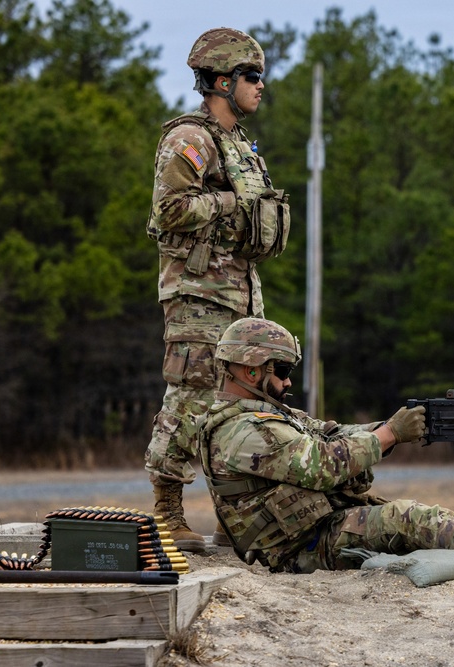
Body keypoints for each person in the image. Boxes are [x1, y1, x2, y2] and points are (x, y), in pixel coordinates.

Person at [197, 318, 454, 580]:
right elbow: (321, 465)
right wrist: (389, 434)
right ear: (251, 370)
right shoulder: (242, 432)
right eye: (282, 371)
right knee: (409, 517)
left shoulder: (267, 416)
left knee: (426, 519)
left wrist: (392, 427)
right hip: (300, 550)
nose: (287, 383)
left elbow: (331, 432)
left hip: (319, 529)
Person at [144, 27, 290, 553]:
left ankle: (236, 515)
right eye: (252, 76)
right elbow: (168, 210)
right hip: (199, 294)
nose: (261, 85)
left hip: (241, 292)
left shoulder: (238, 145)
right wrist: (228, 202)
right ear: (223, 82)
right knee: (191, 394)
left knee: (243, 402)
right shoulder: (191, 139)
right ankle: (167, 513)